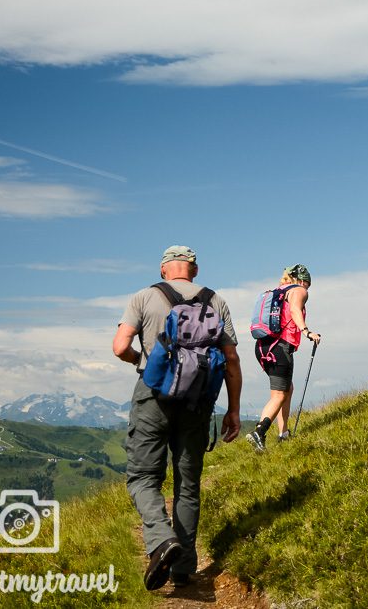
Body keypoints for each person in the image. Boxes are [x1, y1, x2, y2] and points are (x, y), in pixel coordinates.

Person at [112, 245, 243, 591]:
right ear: (194, 271)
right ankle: (183, 567)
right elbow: (231, 360)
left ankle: (160, 539)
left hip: (153, 395)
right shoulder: (217, 301)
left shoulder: (143, 297)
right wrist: (233, 410)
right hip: (198, 401)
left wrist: (144, 360)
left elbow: (119, 346)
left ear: (163, 269)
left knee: (142, 477)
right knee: (188, 483)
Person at [246, 264, 320, 451]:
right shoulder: (299, 290)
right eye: (307, 285)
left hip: (262, 346)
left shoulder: (277, 292)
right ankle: (259, 433)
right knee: (280, 394)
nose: (307, 290)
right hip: (279, 347)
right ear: (303, 281)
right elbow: (295, 310)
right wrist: (306, 331)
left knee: (284, 389)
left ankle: (283, 433)